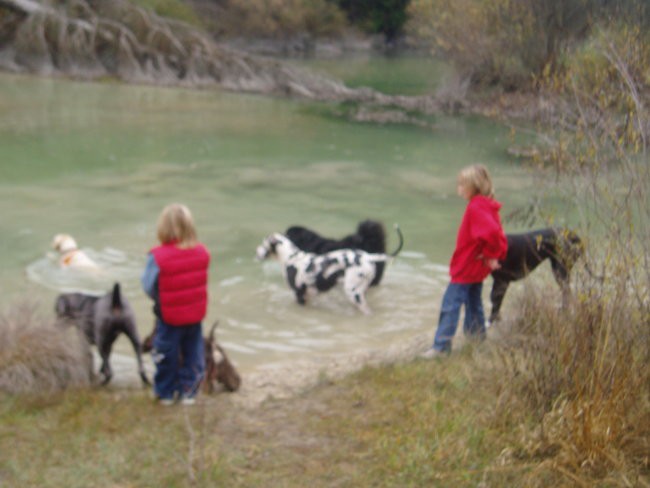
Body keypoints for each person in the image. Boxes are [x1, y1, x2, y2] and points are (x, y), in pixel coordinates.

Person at [421, 164, 507, 358]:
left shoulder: (476, 206)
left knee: (450, 304)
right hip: (476, 265)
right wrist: (489, 255)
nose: (458, 188)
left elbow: (492, 232)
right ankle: (477, 340)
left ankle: (441, 347)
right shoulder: (484, 204)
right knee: (473, 301)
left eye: (461, 185)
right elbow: (495, 231)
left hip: (468, 265)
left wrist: (492, 255)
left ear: (473, 187)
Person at [141, 203, 211, 405]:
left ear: (163, 228)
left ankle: (165, 393)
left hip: (169, 317)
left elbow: (147, 286)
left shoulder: (157, 256)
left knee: (166, 354)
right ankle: (189, 391)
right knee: (193, 353)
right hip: (195, 315)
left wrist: (159, 297)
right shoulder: (202, 252)